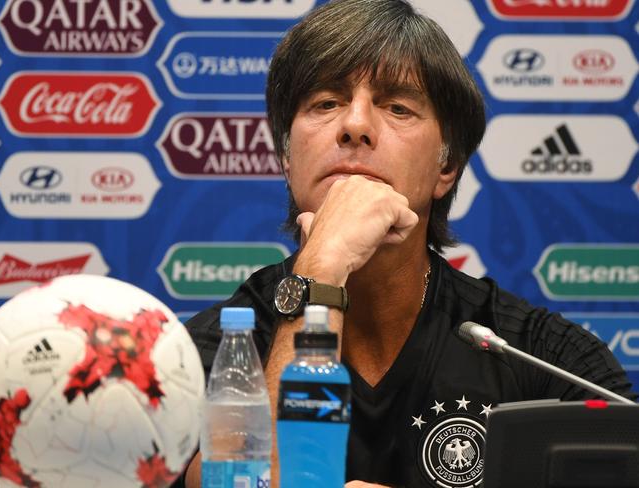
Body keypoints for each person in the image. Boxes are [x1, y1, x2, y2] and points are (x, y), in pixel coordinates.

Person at [178, 0, 637, 486]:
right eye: (325, 103)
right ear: (287, 159)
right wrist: (322, 269)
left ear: (447, 167)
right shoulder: (205, 356)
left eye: (398, 107)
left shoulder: (547, 361)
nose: (354, 125)